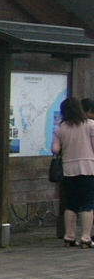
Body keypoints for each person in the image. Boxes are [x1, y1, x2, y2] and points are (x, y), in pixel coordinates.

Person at [50, 96, 94, 247]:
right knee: (88, 203)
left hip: (68, 170)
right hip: (88, 169)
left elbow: (55, 149)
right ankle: (86, 238)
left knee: (72, 204)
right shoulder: (90, 125)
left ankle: (69, 236)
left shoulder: (60, 128)